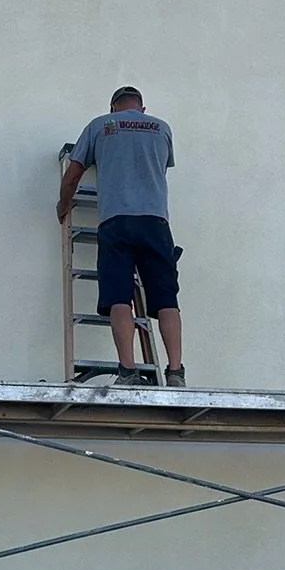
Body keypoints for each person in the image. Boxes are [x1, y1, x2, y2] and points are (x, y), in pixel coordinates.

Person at [57, 86, 185, 387]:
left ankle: (128, 371)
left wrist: (63, 205)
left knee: (119, 298)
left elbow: (73, 174)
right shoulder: (162, 128)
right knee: (167, 299)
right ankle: (176, 372)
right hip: (156, 222)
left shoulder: (101, 125)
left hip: (116, 222)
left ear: (113, 107)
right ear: (142, 108)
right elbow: (157, 170)